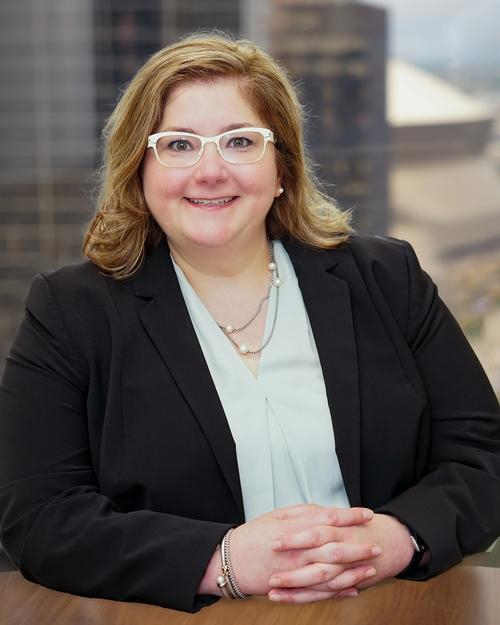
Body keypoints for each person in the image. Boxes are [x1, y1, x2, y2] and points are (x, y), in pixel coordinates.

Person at [1, 32, 499, 614]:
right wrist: (223, 558)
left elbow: (482, 456)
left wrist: (395, 538)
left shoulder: (388, 278)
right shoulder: (70, 311)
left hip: (387, 608)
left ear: (282, 166)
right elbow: (36, 515)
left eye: (240, 141)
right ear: (139, 168)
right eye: (179, 145)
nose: (210, 171)